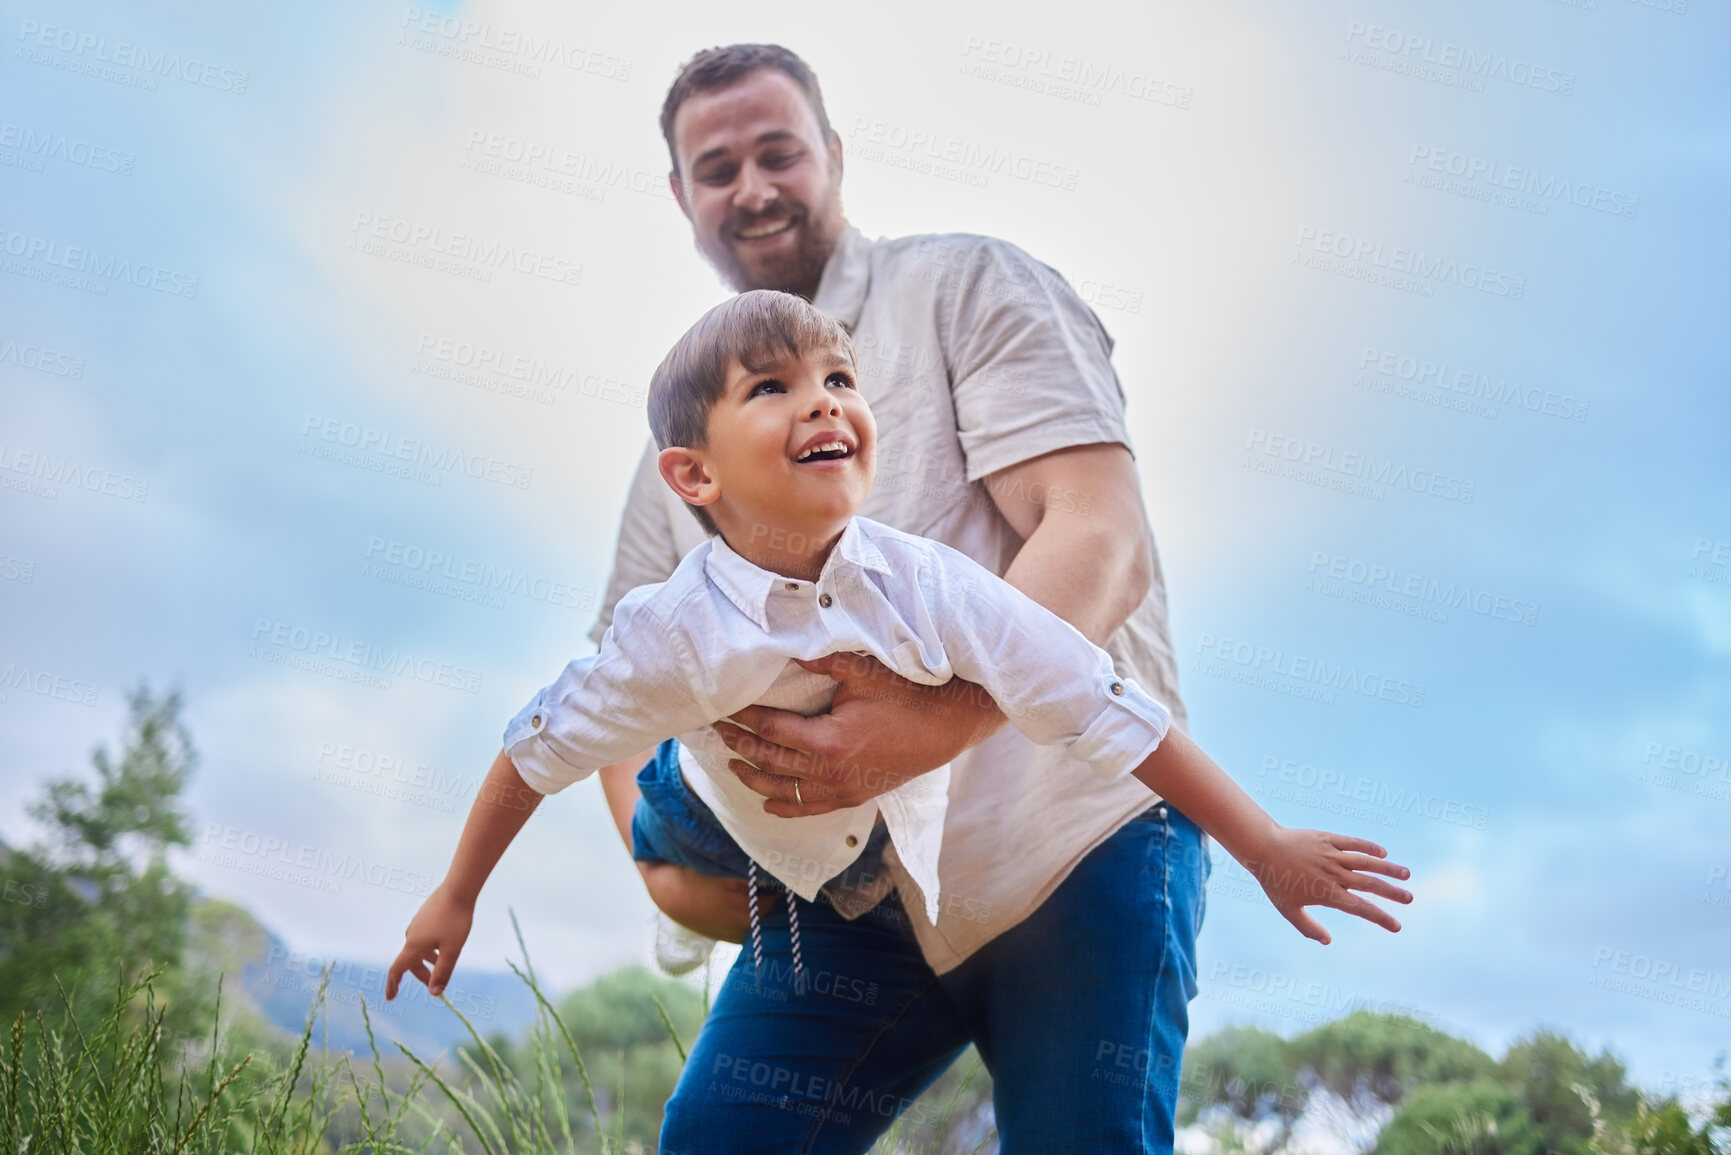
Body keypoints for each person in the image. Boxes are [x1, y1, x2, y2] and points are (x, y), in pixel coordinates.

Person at [386, 289, 1413, 1149]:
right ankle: (683, 881)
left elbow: (1101, 700)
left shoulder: (927, 587)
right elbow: (531, 751)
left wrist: (1263, 841)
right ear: (693, 475)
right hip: (704, 799)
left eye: (840, 380)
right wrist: (455, 896)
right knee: (669, 798)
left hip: (849, 855)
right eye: (773, 387)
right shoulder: (669, 633)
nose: (826, 403)